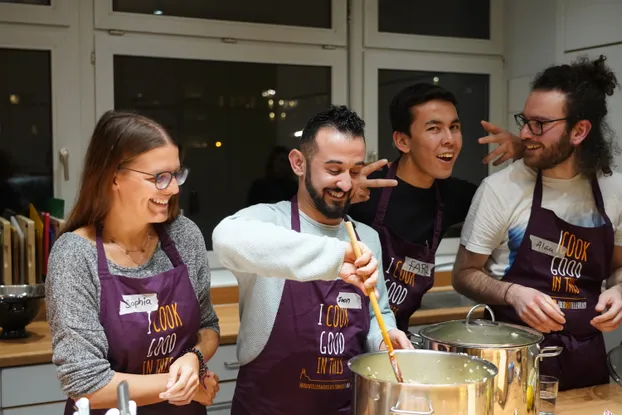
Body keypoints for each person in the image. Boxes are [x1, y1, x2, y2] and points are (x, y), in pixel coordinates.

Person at [212, 105, 411, 415]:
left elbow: (377, 312)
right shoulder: (269, 222)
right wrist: (334, 256)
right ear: (298, 163)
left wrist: (384, 339)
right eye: (334, 170)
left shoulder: (366, 238)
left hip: (344, 407)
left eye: (354, 171)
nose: (345, 184)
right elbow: (225, 239)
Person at [453, 55, 622, 391]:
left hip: (587, 364)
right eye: (524, 121)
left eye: (539, 124)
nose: (524, 133)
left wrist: (620, 290)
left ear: (579, 130)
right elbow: (463, 274)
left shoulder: (613, 190)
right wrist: (512, 293)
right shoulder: (501, 190)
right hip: (514, 364)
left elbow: (618, 267)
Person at [46, 111, 221, 414]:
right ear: (113, 176)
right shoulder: (75, 255)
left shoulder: (183, 236)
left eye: (176, 174)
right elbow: (87, 385)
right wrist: (184, 387)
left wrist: (194, 358)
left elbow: (207, 326)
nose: (174, 189)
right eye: (159, 178)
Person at [348, 83, 524, 331]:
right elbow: (297, 222)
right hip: (344, 333)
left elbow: (512, 204)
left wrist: (525, 151)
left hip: (394, 338)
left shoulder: (456, 196)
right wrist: (335, 199)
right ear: (402, 141)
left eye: (454, 127)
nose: (450, 140)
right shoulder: (367, 189)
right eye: (434, 129)